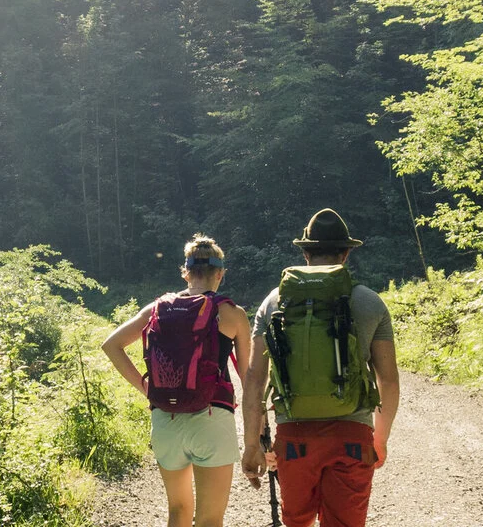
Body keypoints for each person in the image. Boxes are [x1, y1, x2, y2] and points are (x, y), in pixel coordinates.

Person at [239, 208, 400, 527]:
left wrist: (254, 443)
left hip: (294, 436)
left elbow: (255, 378)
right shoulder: (369, 302)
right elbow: (389, 381)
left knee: (297, 521)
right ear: (347, 252)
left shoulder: (274, 302)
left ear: (304, 253)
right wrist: (379, 439)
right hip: (352, 433)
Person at [103, 234, 253, 527]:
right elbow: (249, 380)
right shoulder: (232, 314)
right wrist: (256, 436)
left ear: (185, 272)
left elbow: (111, 345)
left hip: (165, 420)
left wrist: (145, 387)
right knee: (210, 519)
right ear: (219, 274)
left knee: (178, 512)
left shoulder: (157, 309)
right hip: (212, 418)